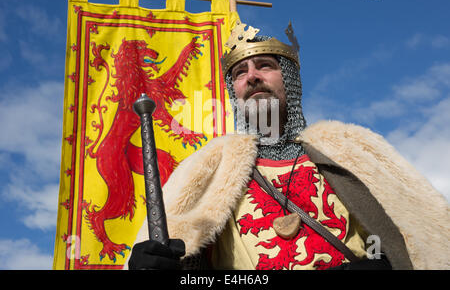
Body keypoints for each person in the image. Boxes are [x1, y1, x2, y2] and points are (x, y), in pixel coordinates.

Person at [125, 22, 449, 270]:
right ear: (233, 91)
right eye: (240, 72)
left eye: (265, 65)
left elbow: (424, 234)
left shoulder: (350, 150)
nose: (252, 76)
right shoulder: (208, 168)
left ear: (289, 79)